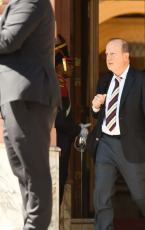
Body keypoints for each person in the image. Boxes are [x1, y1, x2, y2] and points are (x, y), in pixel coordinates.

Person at [90, 38, 145, 230]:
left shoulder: (142, 81)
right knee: (101, 194)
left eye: (113, 54)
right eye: (107, 54)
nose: (108, 57)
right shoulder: (104, 80)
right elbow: (96, 115)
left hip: (133, 145)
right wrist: (95, 106)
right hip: (106, 144)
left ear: (126, 56)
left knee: (141, 195)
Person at [0, 0, 60, 229]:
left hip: (28, 97)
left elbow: (8, 40)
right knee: (22, 170)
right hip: (14, 97)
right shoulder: (17, 4)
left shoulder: (31, 1)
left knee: (34, 172)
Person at [54, 37, 88, 206]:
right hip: (59, 143)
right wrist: (77, 130)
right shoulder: (59, 85)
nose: (72, 67)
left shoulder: (59, 84)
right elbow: (60, 121)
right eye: (69, 62)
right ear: (60, 65)